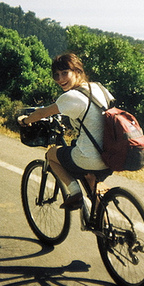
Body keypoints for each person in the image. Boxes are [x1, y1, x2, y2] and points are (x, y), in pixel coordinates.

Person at [18, 53, 113, 210]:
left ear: (77, 71)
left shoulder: (71, 96)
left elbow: (42, 113)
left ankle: (75, 193)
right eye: (56, 75)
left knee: (51, 155)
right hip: (111, 156)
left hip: (91, 158)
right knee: (89, 177)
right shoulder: (99, 88)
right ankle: (103, 226)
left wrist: (25, 121)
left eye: (64, 73)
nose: (60, 79)